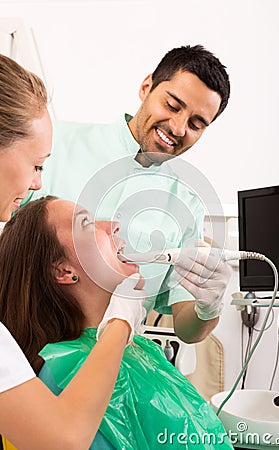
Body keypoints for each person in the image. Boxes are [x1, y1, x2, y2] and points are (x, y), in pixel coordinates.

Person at [24, 44, 231, 344]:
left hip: (116, 367)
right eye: (173, 106)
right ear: (146, 87)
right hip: (22, 347)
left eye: (196, 124)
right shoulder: (56, 142)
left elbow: (187, 329)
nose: (178, 128)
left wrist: (209, 306)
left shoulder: (185, 204)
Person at [0, 196, 234, 450]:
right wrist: (120, 322)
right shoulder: (64, 376)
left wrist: (209, 307)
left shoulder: (139, 350)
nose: (114, 225)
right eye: (86, 224)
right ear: (64, 272)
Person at [0, 53, 146, 450]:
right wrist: (121, 323)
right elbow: (61, 439)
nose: (34, 183)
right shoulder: (59, 375)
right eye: (36, 164)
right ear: (62, 270)